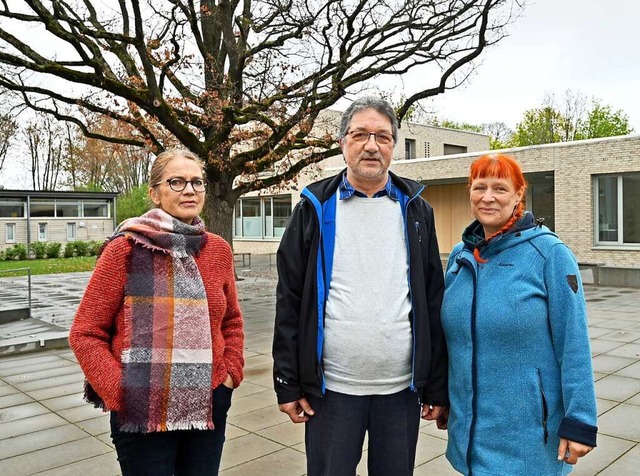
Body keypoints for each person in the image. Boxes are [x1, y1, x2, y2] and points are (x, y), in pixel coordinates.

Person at [272, 96, 448, 476]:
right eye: (361, 135)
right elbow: (290, 299)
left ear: (393, 147)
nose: (372, 145)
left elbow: (433, 296)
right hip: (332, 390)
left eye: (383, 137)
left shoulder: (417, 210)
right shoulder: (313, 208)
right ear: (343, 143)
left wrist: (436, 383)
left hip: (401, 391)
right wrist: (287, 382)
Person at [69, 149, 244, 476]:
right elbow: (85, 333)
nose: (189, 190)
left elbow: (231, 321)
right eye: (176, 182)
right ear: (154, 192)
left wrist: (230, 372)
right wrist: (122, 393)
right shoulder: (125, 248)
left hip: (208, 403)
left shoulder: (218, 249)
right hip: (141, 410)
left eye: (197, 182)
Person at [440, 153, 597, 475]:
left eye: (499, 188)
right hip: (470, 432)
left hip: (528, 436)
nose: (488, 197)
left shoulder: (550, 254)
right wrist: (442, 394)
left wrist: (580, 420)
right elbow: (452, 339)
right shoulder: (459, 256)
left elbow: (574, 342)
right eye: (479, 187)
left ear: (518, 195)